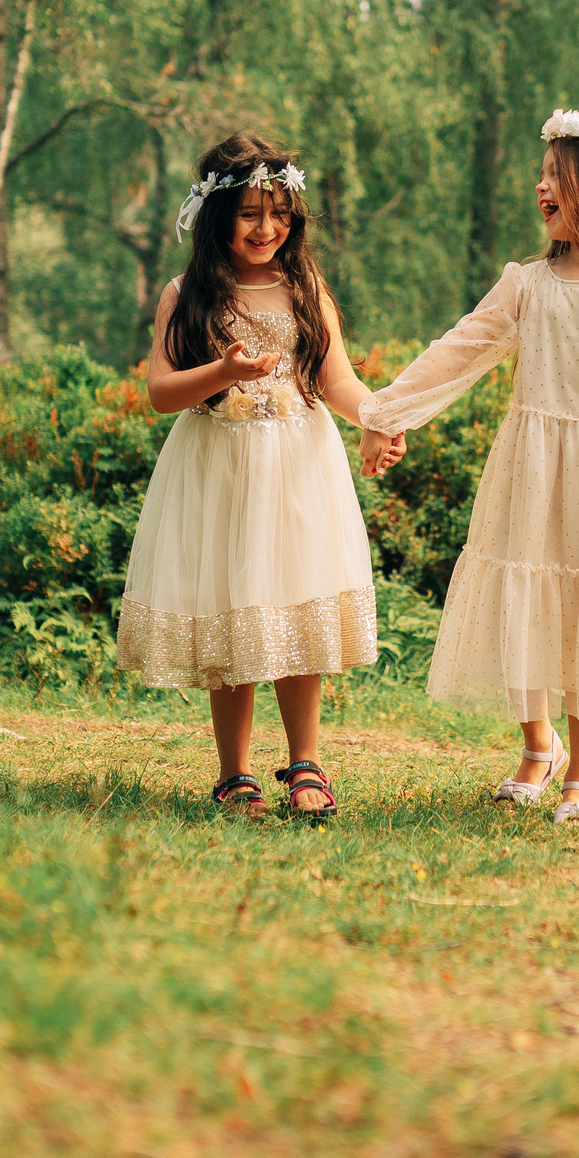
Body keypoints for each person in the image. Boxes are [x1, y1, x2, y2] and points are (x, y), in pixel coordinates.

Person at [354, 109, 579, 826]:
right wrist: (385, 411)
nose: (542, 188)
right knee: (529, 593)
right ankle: (536, 744)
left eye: (556, 177)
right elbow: (461, 348)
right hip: (536, 468)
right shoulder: (529, 283)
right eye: (541, 176)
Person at [116, 133, 404, 821]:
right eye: (249, 212)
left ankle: (306, 760)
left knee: (297, 604)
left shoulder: (305, 288)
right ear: (217, 215)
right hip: (220, 466)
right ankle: (234, 772)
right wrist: (225, 372)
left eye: (278, 212)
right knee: (231, 610)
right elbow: (160, 391)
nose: (267, 227)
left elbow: (336, 378)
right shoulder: (186, 292)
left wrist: (375, 416)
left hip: (300, 468)